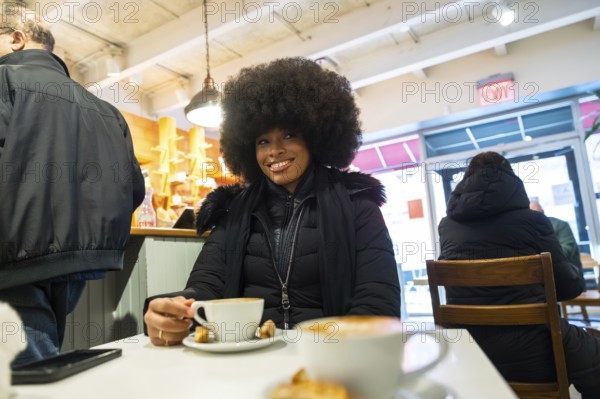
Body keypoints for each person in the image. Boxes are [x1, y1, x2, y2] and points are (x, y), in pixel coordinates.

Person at [143, 57, 401, 346]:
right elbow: (207, 286)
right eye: (262, 141)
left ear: (315, 137)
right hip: (249, 358)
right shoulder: (234, 211)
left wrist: (334, 354)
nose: (275, 151)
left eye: (289, 136)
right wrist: (176, 311)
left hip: (330, 360)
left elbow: (378, 301)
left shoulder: (357, 205)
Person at [0, 6, 144, 366]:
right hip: (77, 264)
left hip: (13, 260)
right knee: (38, 360)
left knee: (21, 375)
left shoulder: (4, 83)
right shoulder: (107, 112)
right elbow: (135, 190)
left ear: (17, 39)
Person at [437, 151, 600, 398]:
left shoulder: (447, 227)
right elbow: (569, 289)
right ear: (511, 183)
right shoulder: (535, 222)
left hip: (470, 355)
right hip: (536, 354)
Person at [530, 200, 583, 271]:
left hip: (568, 273)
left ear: (543, 212)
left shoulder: (561, 225)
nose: (534, 218)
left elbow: (566, 251)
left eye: (537, 214)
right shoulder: (527, 230)